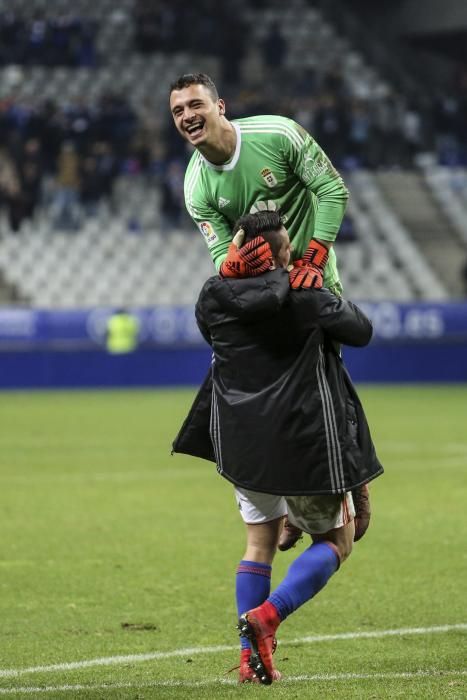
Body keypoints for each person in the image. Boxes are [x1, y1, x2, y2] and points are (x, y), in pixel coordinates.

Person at [173, 211, 383, 684]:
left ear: (241, 248)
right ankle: (269, 615)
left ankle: (249, 661)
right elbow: (362, 330)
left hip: (242, 442)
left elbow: (216, 333)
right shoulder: (306, 296)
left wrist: (231, 277)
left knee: (259, 542)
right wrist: (320, 287)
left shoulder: (212, 295)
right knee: (336, 541)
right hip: (303, 441)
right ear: (282, 253)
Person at [169, 72, 356, 550]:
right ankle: (303, 500)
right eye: (178, 111)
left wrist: (313, 256)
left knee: (324, 405)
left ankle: (319, 493)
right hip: (266, 304)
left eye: (195, 105)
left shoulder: (278, 135)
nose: (188, 116)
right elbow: (222, 266)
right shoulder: (196, 187)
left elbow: (332, 191)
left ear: (220, 106)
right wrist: (235, 267)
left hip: (315, 287)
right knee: (282, 407)